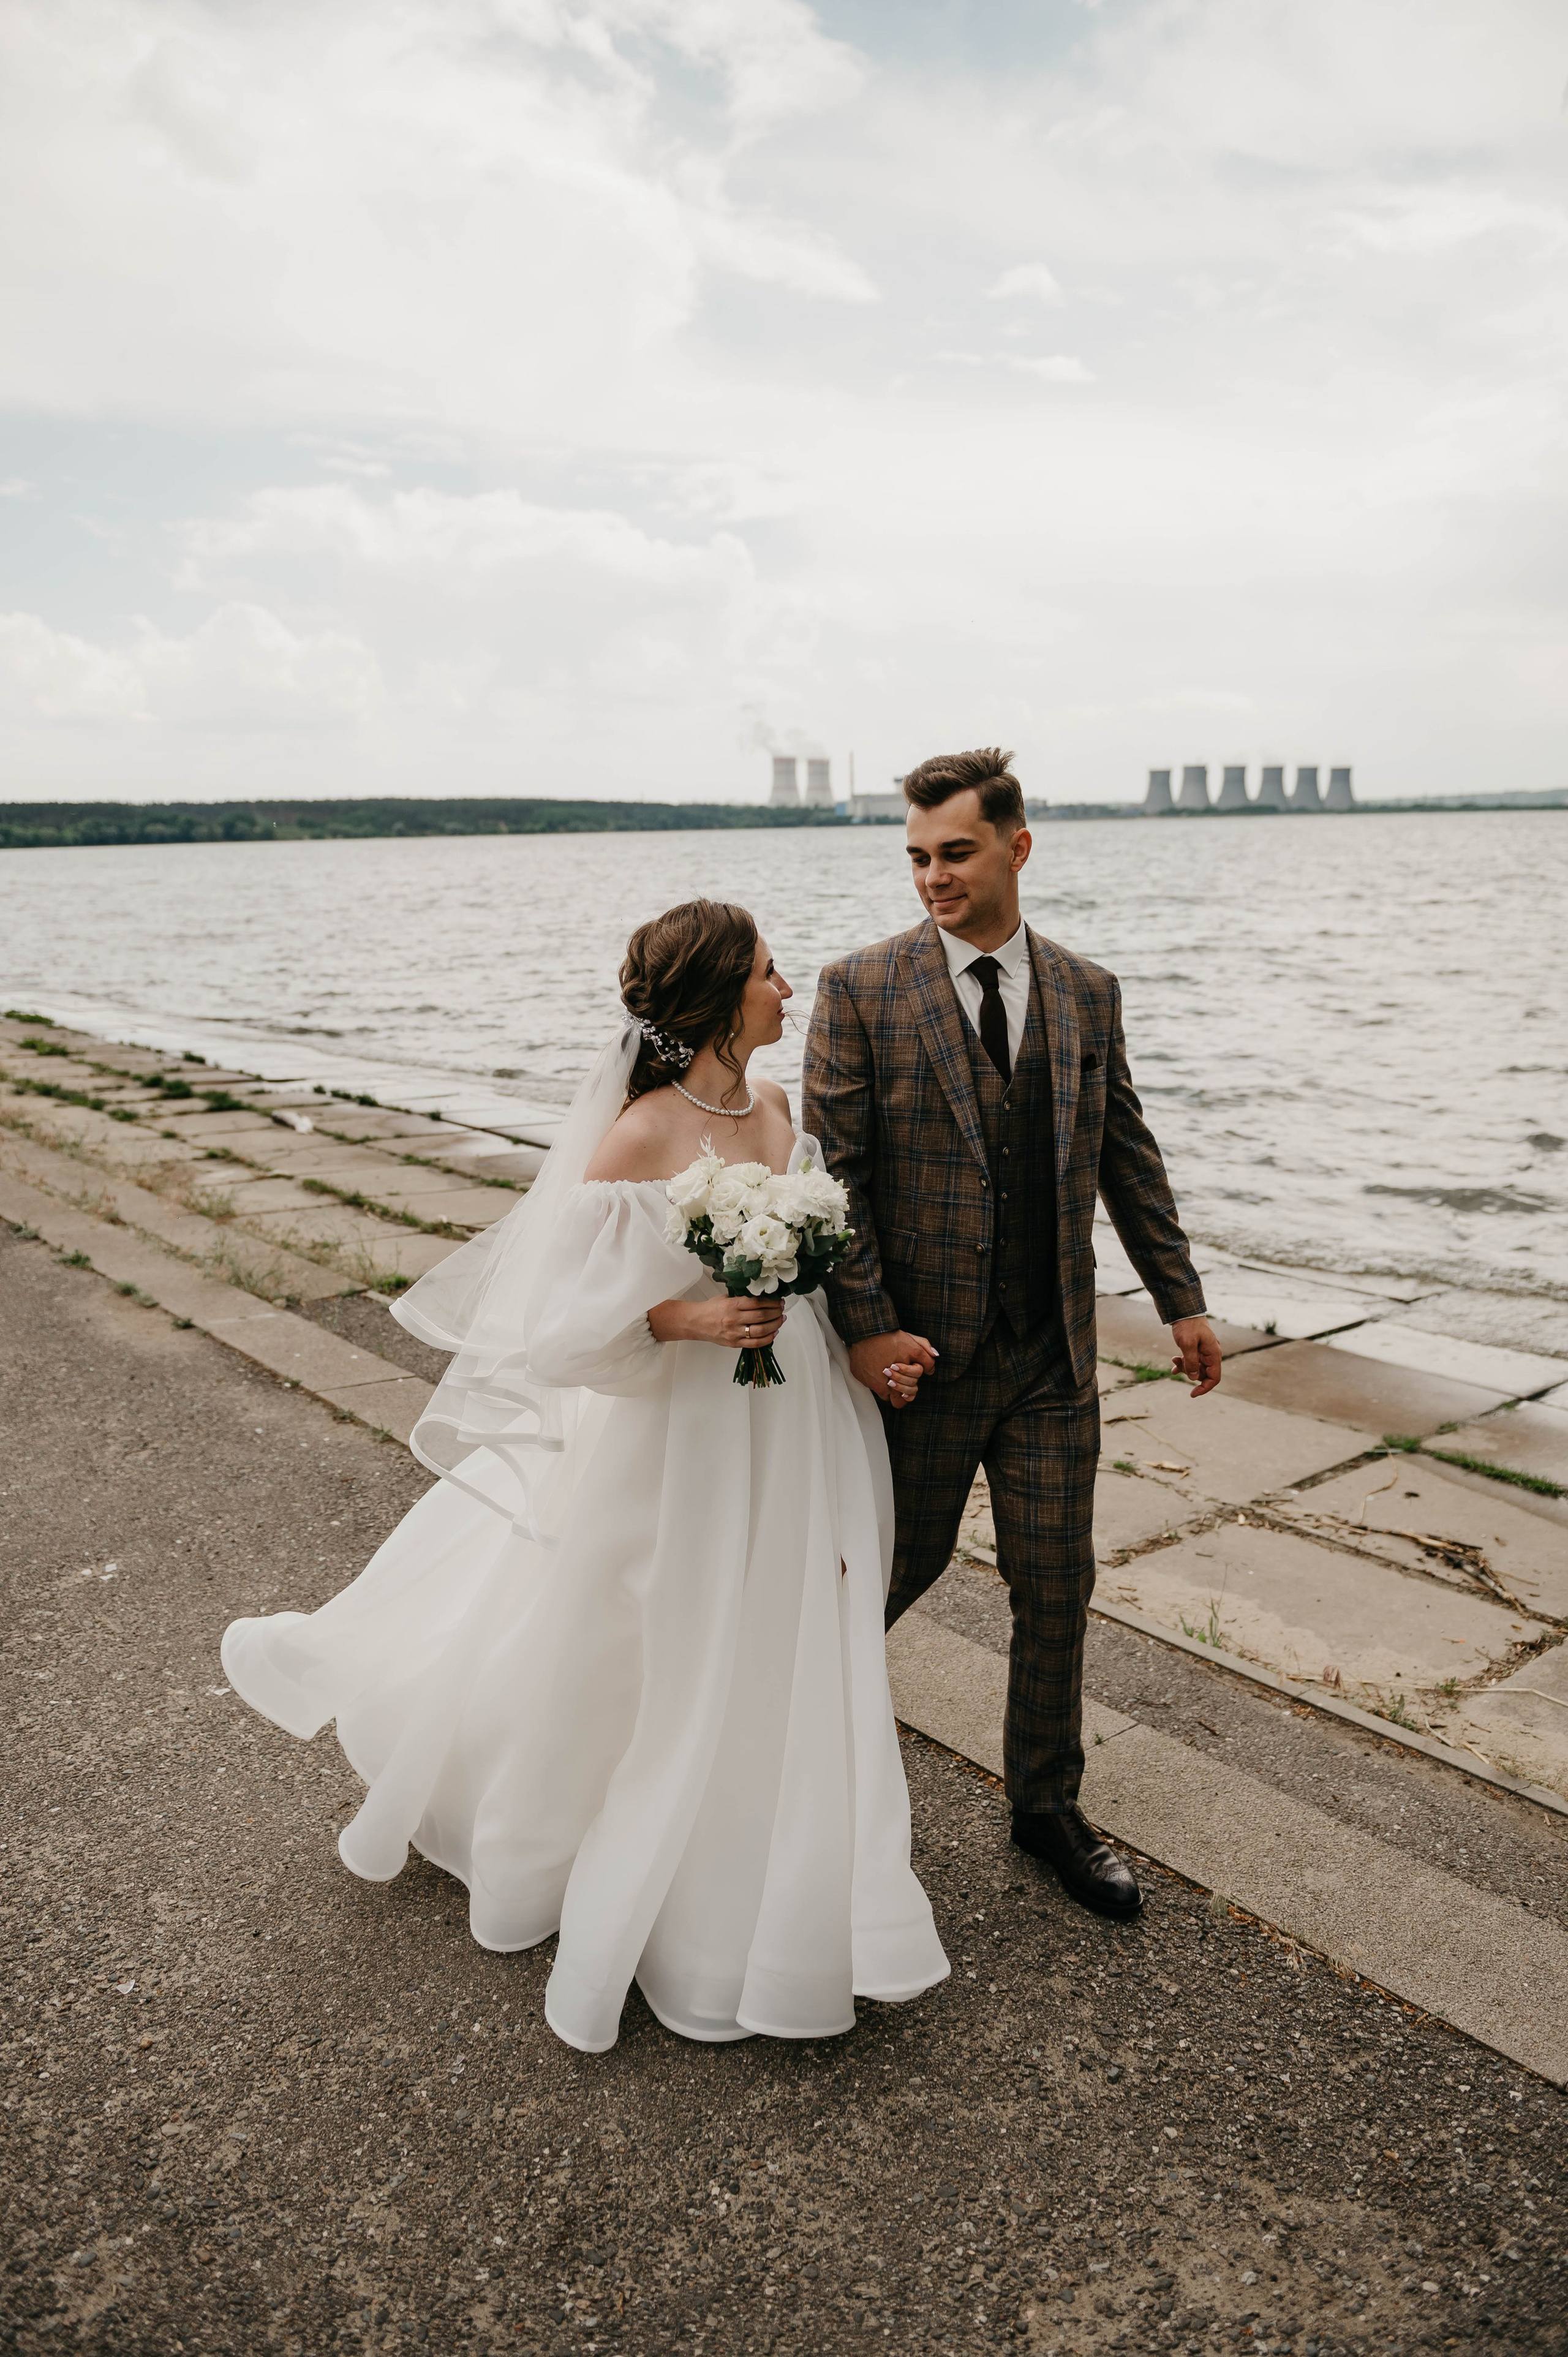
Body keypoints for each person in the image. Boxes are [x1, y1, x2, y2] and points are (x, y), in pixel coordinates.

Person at [222, 899, 948, 2053]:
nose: (789, 986)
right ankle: (593, 1842)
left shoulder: (773, 1106)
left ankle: (760, 1847)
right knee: (651, 1629)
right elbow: (561, 1335)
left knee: (772, 1626)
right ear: (719, 997)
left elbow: (812, 1258)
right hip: (678, 1429)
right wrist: (695, 1319)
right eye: (769, 971)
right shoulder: (637, 1139)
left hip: (789, 1409)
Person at [802, 749, 1219, 1921]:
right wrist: (867, 1331)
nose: (933, 876)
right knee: (890, 1572)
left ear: (1017, 847)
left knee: (1056, 1585)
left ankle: (1045, 1807)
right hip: (920, 1368)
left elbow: (1126, 1156)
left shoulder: (1088, 992)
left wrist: (1181, 1300)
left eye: (956, 853)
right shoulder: (860, 988)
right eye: (918, 857)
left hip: (1052, 1360)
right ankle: (774, 1752)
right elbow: (835, 1183)